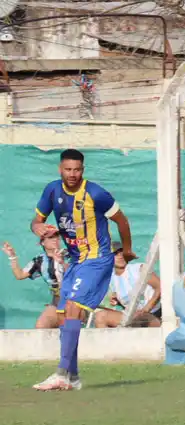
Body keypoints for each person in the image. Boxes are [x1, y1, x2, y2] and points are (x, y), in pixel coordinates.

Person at [30, 148, 136, 391]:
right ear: (60, 169)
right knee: (64, 316)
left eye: (77, 169)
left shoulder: (96, 193)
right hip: (75, 261)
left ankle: (60, 374)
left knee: (73, 308)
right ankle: (74, 377)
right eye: (68, 169)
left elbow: (122, 220)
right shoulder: (52, 190)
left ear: (83, 170)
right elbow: (35, 221)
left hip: (97, 259)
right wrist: (36, 227)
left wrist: (127, 250)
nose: (72, 174)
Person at [94, 240, 162, 328]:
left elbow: (160, 287)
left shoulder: (138, 269)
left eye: (122, 252)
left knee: (134, 318)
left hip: (153, 315)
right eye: (115, 253)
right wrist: (119, 303)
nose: (120, 256)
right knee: (100, 316)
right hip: (133, 317)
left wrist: (146, 309)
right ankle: (108, 341)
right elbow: (129, 305)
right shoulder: (112, 279)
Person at [4, 235, 67, 329]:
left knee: (70, 327)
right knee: (41, 326)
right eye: (50, 237)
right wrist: (12, 257)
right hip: (57, 303)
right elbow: (20, 275)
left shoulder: (69, 254)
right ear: (42, 243)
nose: (55, 240)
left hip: (75, 302)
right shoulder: (39, 260)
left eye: (57, 237)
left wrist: (61, 262)